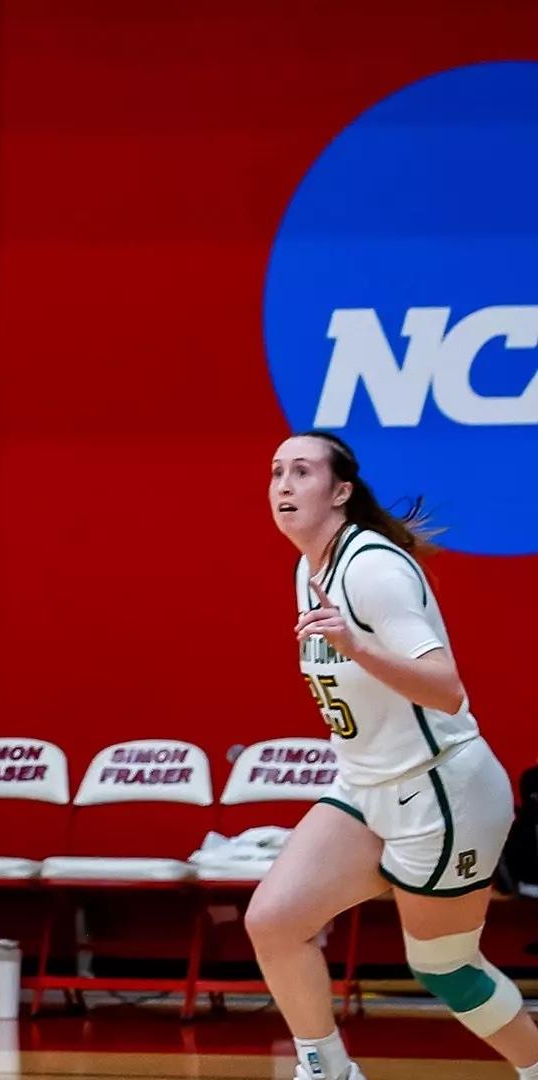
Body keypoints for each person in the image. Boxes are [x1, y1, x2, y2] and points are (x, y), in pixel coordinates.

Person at [248, 432, 537, 1080]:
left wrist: (357, 647)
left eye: (301, 471)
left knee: (447, 968)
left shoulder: (372, 568)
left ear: (341, 491)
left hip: (443, 790)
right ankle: (328, 1071)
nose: (284, 485)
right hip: (367, 784)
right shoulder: (309, 565)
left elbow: (446, 686)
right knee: (272, 920)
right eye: (275, 473)